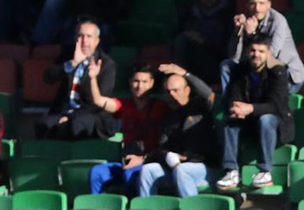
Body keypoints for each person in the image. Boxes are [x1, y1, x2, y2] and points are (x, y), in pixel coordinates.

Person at [215, 37, 293, 192]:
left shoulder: (278, 72)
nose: (256, 54)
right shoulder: (241, 70)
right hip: (249, 120)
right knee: (230, 119)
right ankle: (231, 171)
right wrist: (236, 106)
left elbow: (275, 106)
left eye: (261, 51)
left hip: (276, 123)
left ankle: (265, 171)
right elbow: (235, 93)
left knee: (266, 119)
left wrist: (249, 108)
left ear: (268, 53)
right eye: (252, 50)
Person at [137, 65, 217, 198]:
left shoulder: (200, 108)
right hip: (177, 167)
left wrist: (185, 74)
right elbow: (162, 147)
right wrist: (168, 155)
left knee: (182, 170)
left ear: (187, 90)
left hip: (206, 167)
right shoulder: (168, 118)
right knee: (147, 170)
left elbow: (208, 94)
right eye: (168, 92)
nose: (172, 95)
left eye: (175, 90)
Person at [89, 66, 167, 195]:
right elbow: (98, 100)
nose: (139, 86)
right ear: (130, 83)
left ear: (152, 83)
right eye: (136, 81)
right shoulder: (125, 105)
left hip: (149, 162)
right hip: (126, 162)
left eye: (144, 82)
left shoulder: (161, 107)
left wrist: (143, 159)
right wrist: (92, 78)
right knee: (96, 172)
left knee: (131, 174)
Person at [42, 20, 119, 139]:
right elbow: (48, 77)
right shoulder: (68, 56)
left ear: (97, 41)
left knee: (75, 124)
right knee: (43, 125)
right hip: (64, 110)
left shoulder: (106, 65)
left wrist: (70, 116)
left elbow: (97, 103)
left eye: (89, 36)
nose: (84, 40)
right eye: (80, 35)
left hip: (91, 115)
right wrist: (72, 63)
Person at [227, 0, 304, 95]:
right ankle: (229, 105)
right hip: (257, 71)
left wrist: (252, 35)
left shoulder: (279, 21)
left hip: (286, 74)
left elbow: (270, 54)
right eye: (253, 3)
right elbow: (234, 58)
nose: (257, 8)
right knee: (226, 65)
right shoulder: (245, 20)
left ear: (269, 5)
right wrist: (238, 32)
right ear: (247, 5)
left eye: (261, 3)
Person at [172, 0, 235, 74]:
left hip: (216, 64)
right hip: (190, 62)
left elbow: (228, 49)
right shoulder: (188, 13)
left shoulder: (228, 16)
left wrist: (203, 41)